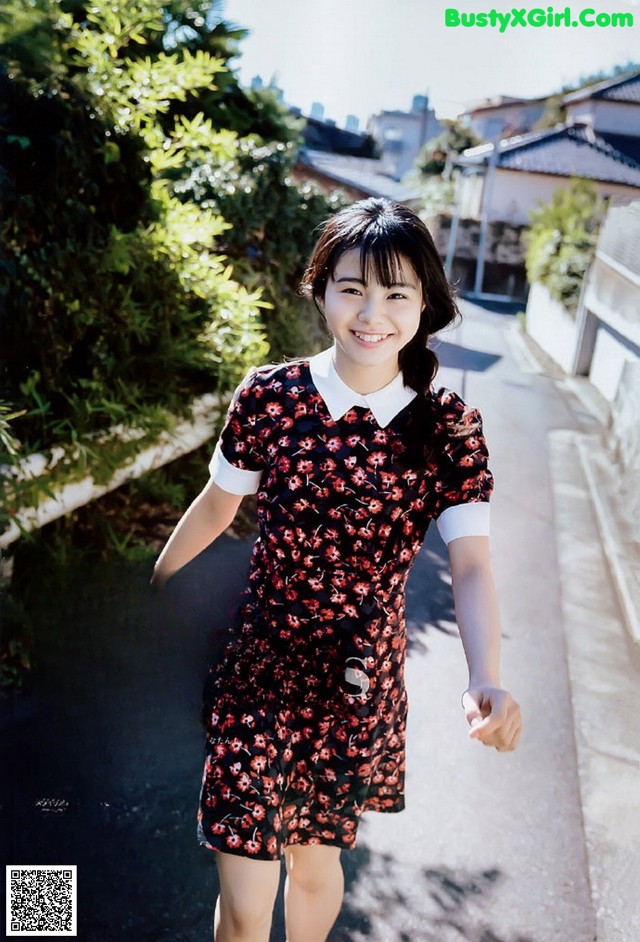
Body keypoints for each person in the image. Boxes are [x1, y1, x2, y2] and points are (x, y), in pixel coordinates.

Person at [152, 197, 522, 942]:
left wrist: (486, 675)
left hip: (355, 685)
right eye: (352, 287)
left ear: (425, 304)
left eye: (396, 293)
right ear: (320, 288)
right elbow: (217, 507)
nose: (371, 312)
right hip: (258, 662)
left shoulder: (449, 427)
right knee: (246, 894)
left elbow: (473, 566)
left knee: (314, 867)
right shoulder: (270, 396)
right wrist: (152, 592)